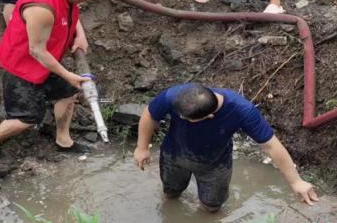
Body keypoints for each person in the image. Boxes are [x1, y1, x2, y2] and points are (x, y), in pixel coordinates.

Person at [0, 0, 106, 154]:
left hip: (47, 60)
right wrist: (68, 74)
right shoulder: (42, 8)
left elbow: (72, 11)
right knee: (27, 118)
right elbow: (36, 51)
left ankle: (63, 140)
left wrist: (80, 35)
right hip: (22, 64)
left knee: (68, 93)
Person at [133, 83, 319, 212]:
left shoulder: (242, 111)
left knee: (212, 207)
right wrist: (142, 148)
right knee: (171, 194)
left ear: (209, 117)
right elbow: (150, 115)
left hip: (215, 164)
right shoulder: (175, 95)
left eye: (187, 119)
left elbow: (271, 145)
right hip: (174, 155)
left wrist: (296, 182)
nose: (181, 118)